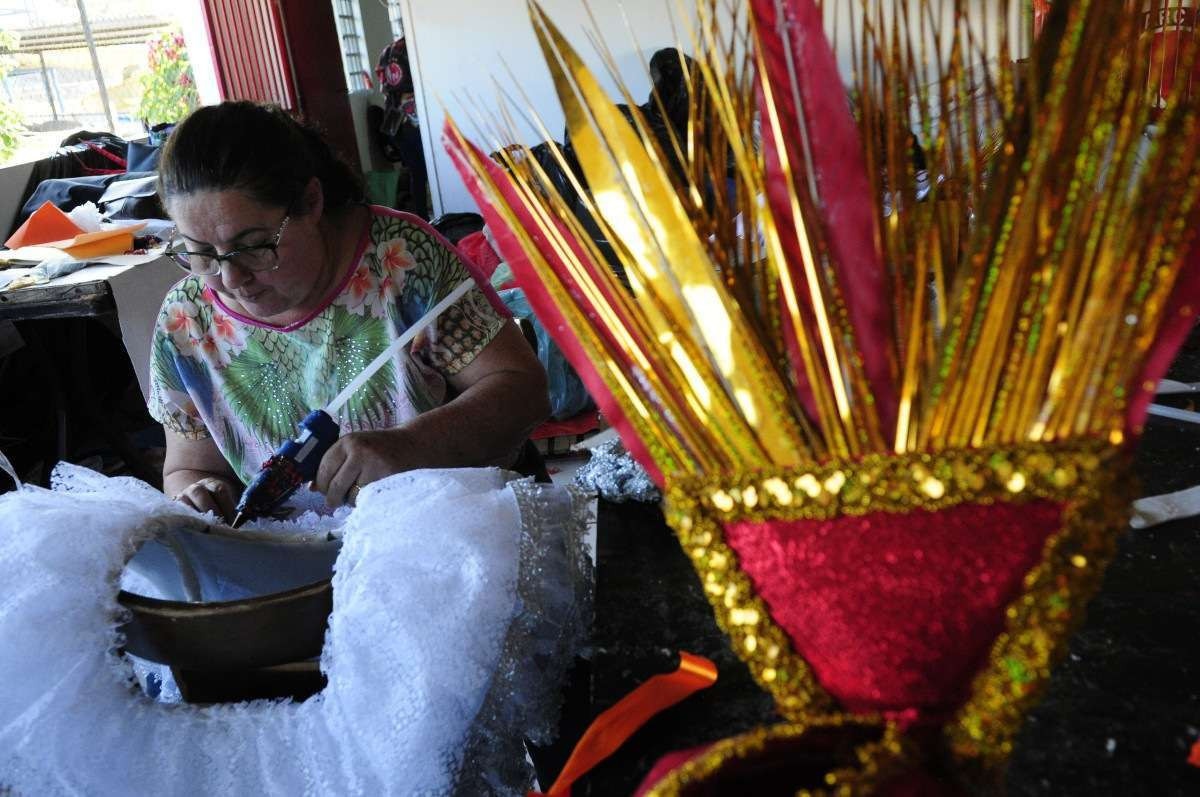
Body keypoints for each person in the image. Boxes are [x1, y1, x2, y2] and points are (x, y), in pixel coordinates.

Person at [148, 101, 549, 522]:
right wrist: (198, 493)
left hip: (447, 529)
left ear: (312, 201)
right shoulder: (187, 320)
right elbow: (188, 468)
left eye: (254, 245)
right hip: (300, 561)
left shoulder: (397, 261)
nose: (230, 278)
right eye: (201, 252)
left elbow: (523, 391)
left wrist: (413, 445)